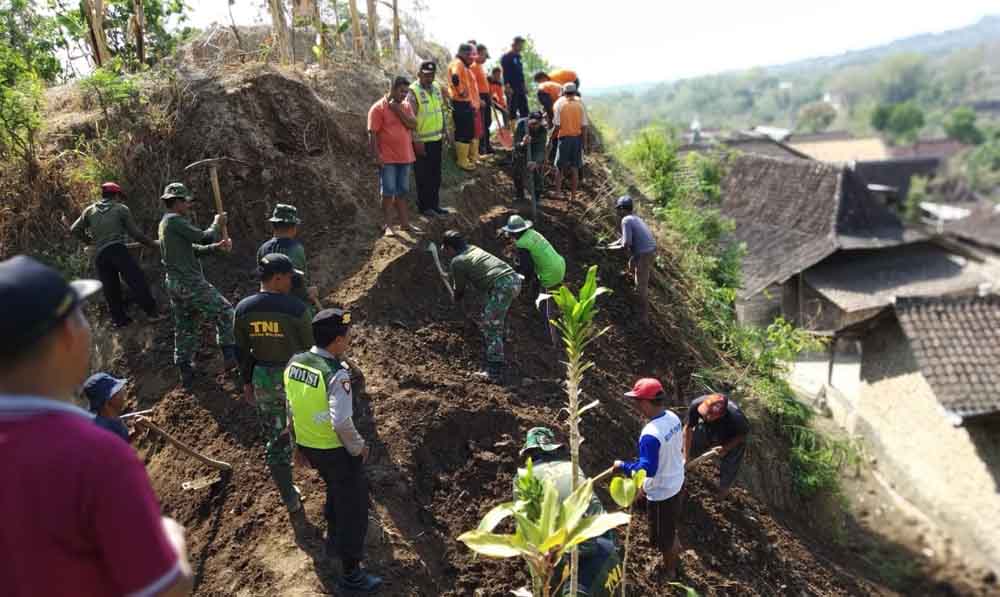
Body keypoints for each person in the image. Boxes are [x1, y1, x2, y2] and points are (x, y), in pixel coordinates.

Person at [0, 255, 194, 596]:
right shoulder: (94, 455)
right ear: (66, 336)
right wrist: (171, 538)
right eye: (82, 316)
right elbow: (166, 589)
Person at [285, 308, 382, 592]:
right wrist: (359, 447)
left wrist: (297, 445)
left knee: (336, 489)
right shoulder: (337, 374)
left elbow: (290, 406)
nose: (350, 340)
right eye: (348, 336)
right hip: (336, 451)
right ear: (337, 341)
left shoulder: (295, 363)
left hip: (311, 447)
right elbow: (341, 420)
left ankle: (332, 537)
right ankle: (352, 576)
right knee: (354, 510)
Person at [234, 253, 315, 513]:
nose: (293, 282)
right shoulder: (297, 310)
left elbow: (242, 351)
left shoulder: (243, 309)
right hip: (298, 377)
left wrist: (246, 383)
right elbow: (312, 349)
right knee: (316, 427)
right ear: (278, 278)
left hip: (264, 379)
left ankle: (289, 498)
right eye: (290, 277)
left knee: (276, 437)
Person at [515, 427, 623, 596]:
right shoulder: (572, 467)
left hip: (578, 565)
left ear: (529, 455)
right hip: (608, 547)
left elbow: (526, 530)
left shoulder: (524, 478)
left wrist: (539, 584)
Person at [158, 182, 235, 389]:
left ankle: (185, 368)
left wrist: (216, 247)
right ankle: (230, 357)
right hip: (189, 282)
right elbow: (204, 236)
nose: (188, 206)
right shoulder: (175, 221)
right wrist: (217, 223)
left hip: (174, 283)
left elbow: (194, 249)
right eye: (186, 202)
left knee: (186, 325)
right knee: (226, 311)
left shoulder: (166, 223)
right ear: (177, 202)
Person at [613, 378, 685, 579]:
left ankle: (670, 570)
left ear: (646, 402)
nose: (635, 406)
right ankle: (673, 540)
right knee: (669, 523)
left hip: (662, 491)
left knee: (663, 539)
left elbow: (648, 470)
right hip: (676, 480)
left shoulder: (650, 434)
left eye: (637, 401)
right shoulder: (672, 417)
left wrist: (623, 466)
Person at [70, 181, 163, 327]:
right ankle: (152, 313)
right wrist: (152, 244)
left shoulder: (89, 211)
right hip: (117, 250)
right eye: (120, 197)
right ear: (116, 195)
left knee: (110, 288)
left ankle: (119, 320)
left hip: (101, 255)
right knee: (136, 279)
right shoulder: (121, 208)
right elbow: (136, 234)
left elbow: (74, 229)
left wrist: (90, 242)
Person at [441, 230, 522, 384]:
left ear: (450, 248)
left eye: (445, 248)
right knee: (492, 315)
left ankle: (494, 371)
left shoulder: (458, 261)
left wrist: (455, 300)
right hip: (513, 280)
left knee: (490, 326)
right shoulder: (473, 248)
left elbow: (460, 289)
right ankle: (502, 339)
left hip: (503, 285)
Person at [500, 215, 565, 346]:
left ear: (515, 233)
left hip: (549, 274)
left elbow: (528, 267)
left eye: (512, 233)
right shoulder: (532, 233)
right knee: (537, 284)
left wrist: (522, 278)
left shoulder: (522, 243)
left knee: (545, 308)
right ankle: (534, 302)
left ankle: (551, 340)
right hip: (559, 264)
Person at [368, 76, 419, 238]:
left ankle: (405, 224)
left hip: (405, 156)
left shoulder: (405, 106)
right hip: (387, 158)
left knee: (402, 191)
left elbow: (413, 124)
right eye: (402, 91)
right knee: (388, 191)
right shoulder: (377, 108)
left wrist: (397, 110)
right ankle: (388, 225)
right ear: (392, 89)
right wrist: (377, 156)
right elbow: (372, 134)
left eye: (406, 91)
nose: (405, 95)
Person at [407, 60, 451, 217]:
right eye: (426, 75)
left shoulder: (437, 88)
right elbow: (410, 120)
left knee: (435, 174)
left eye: (432, 75)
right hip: (422, 142)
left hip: (436, 139)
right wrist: (416, 140)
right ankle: (424, 207)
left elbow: (440, 111)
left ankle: (435, 205)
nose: (429, 78)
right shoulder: (413, 91)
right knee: (423, 176)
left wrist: (446, 131)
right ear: (419, 74)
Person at [684, 393, 750, 498]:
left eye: (707, 415)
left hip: (732, 437)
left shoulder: (736, 417)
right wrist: (686, 457)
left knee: (731, 463)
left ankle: (722, 492)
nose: (703, 416)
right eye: (703, 414)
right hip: (710, 429)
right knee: (697, 436)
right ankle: (689, 466)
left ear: (719, 415)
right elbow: (688, 429)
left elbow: (742, 435)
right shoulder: (697, 404)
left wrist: (726, 448)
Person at [257, 204, 318, 313]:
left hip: (267, 305)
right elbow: (297, 281)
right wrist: (309, 294)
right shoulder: (296, 249)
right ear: (294, 227)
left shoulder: (262, 249)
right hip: (292, 307)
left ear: (273, 225)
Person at [608, 195, 656, 324]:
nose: (617, 211)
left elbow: (625, 244)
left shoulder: (626, 221)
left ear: (623, 209)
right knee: (631, 264)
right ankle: (628, 277)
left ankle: (644, 317)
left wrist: (610, 250)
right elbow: (624, 238)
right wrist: (610, 245)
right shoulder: (634, 218)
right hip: (647, 250)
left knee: (641, 287)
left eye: (618, 209)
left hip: (644, 254)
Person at [549, 83, 589, 201]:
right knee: (575, 168)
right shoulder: (580, 104)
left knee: (559, 167)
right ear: (575, 92)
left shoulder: (559, 104)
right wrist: (584, 143)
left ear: (564, 93)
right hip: (577, 139)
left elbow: (557, 126)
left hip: (564, 139)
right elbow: (584, 126)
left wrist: (550, 139)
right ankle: (573, 196)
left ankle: (557, 193)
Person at [448, 43, 478, 172]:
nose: (473, 59)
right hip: (460, 103)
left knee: (468, 131)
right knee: (463, 132)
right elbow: (455, 77)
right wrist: (460, 91)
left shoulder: (463, 65)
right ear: (465, 54)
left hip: (465, 103)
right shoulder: (458, 63)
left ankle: (467, 158)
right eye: (471, 56)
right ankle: (462, 160)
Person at [512, 111, 547, 206]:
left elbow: (540, 149)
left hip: (534, 152)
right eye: (532, 123)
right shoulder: (521, 125)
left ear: (540, 122)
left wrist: (535, 162)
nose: (534, 126)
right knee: (517, 173)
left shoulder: (542, 131)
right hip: (520, 151)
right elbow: (515, 144)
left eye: (537, 124)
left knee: (536, 175)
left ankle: (536, 197)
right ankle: (519, 195)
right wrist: (523, 143)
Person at [83, 372, 131, 442]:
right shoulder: (104, 434)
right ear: (107, 402)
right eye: (117, 392)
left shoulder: (112, 420)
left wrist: (136, 433)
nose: (123, 392)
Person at [501, 36, 529, 120]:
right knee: (512, 110)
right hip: (511, 87)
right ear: (515, 44)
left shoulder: (518, 57)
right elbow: (505, 73)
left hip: (520, 87)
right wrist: (507, 87)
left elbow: (521, 74)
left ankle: (525, 130)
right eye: (520, 44)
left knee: (524, 109)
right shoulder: (507, 56)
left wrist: (524, 86)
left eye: (522, 45)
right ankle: (512, 130)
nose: (521, 47)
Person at [472, 43, 494, 155]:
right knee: (482, 123)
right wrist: (478, 99)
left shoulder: (480, 66)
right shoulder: (473, 66)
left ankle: (487, 145)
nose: (486, 59)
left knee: (488, 122)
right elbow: (472, 85)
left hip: (486, 96)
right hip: (480, 97)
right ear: (479, 54)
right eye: (485, 56)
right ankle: (481, 148)